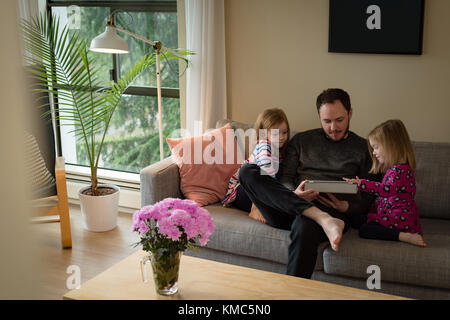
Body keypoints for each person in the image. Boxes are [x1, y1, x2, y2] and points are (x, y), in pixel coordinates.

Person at [239, 88, 378, 279]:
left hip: (333, 210)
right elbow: (286, 178)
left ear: (350, 113)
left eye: (339, 120)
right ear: (319, 117)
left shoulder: (364, 149)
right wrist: (293, 193)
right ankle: (321, 217)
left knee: (304, 227)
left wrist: (346, 207)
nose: (333, 128)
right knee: (247, 172)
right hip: (289, 207)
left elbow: (370, 196)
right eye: (326, 121)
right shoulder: (302, 141)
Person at [344, 119, 426, 247]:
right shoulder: (394, 169)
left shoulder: (400, 170)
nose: (374, 152)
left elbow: (386, 190)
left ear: (391, 145)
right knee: (355, 220)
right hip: (389, 216)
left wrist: (361, 183)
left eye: (376, 147)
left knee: (365, 230)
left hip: (399, 219)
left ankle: (403, 236)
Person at [222, 108, 290, 224]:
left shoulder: (279, 150)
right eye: (276, 133)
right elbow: (265, 180)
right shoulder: (265, 147)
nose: (282, 137)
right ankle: (255, 209)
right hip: (242, 192)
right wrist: (258, 205)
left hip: (257, 191)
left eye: (285, 132)